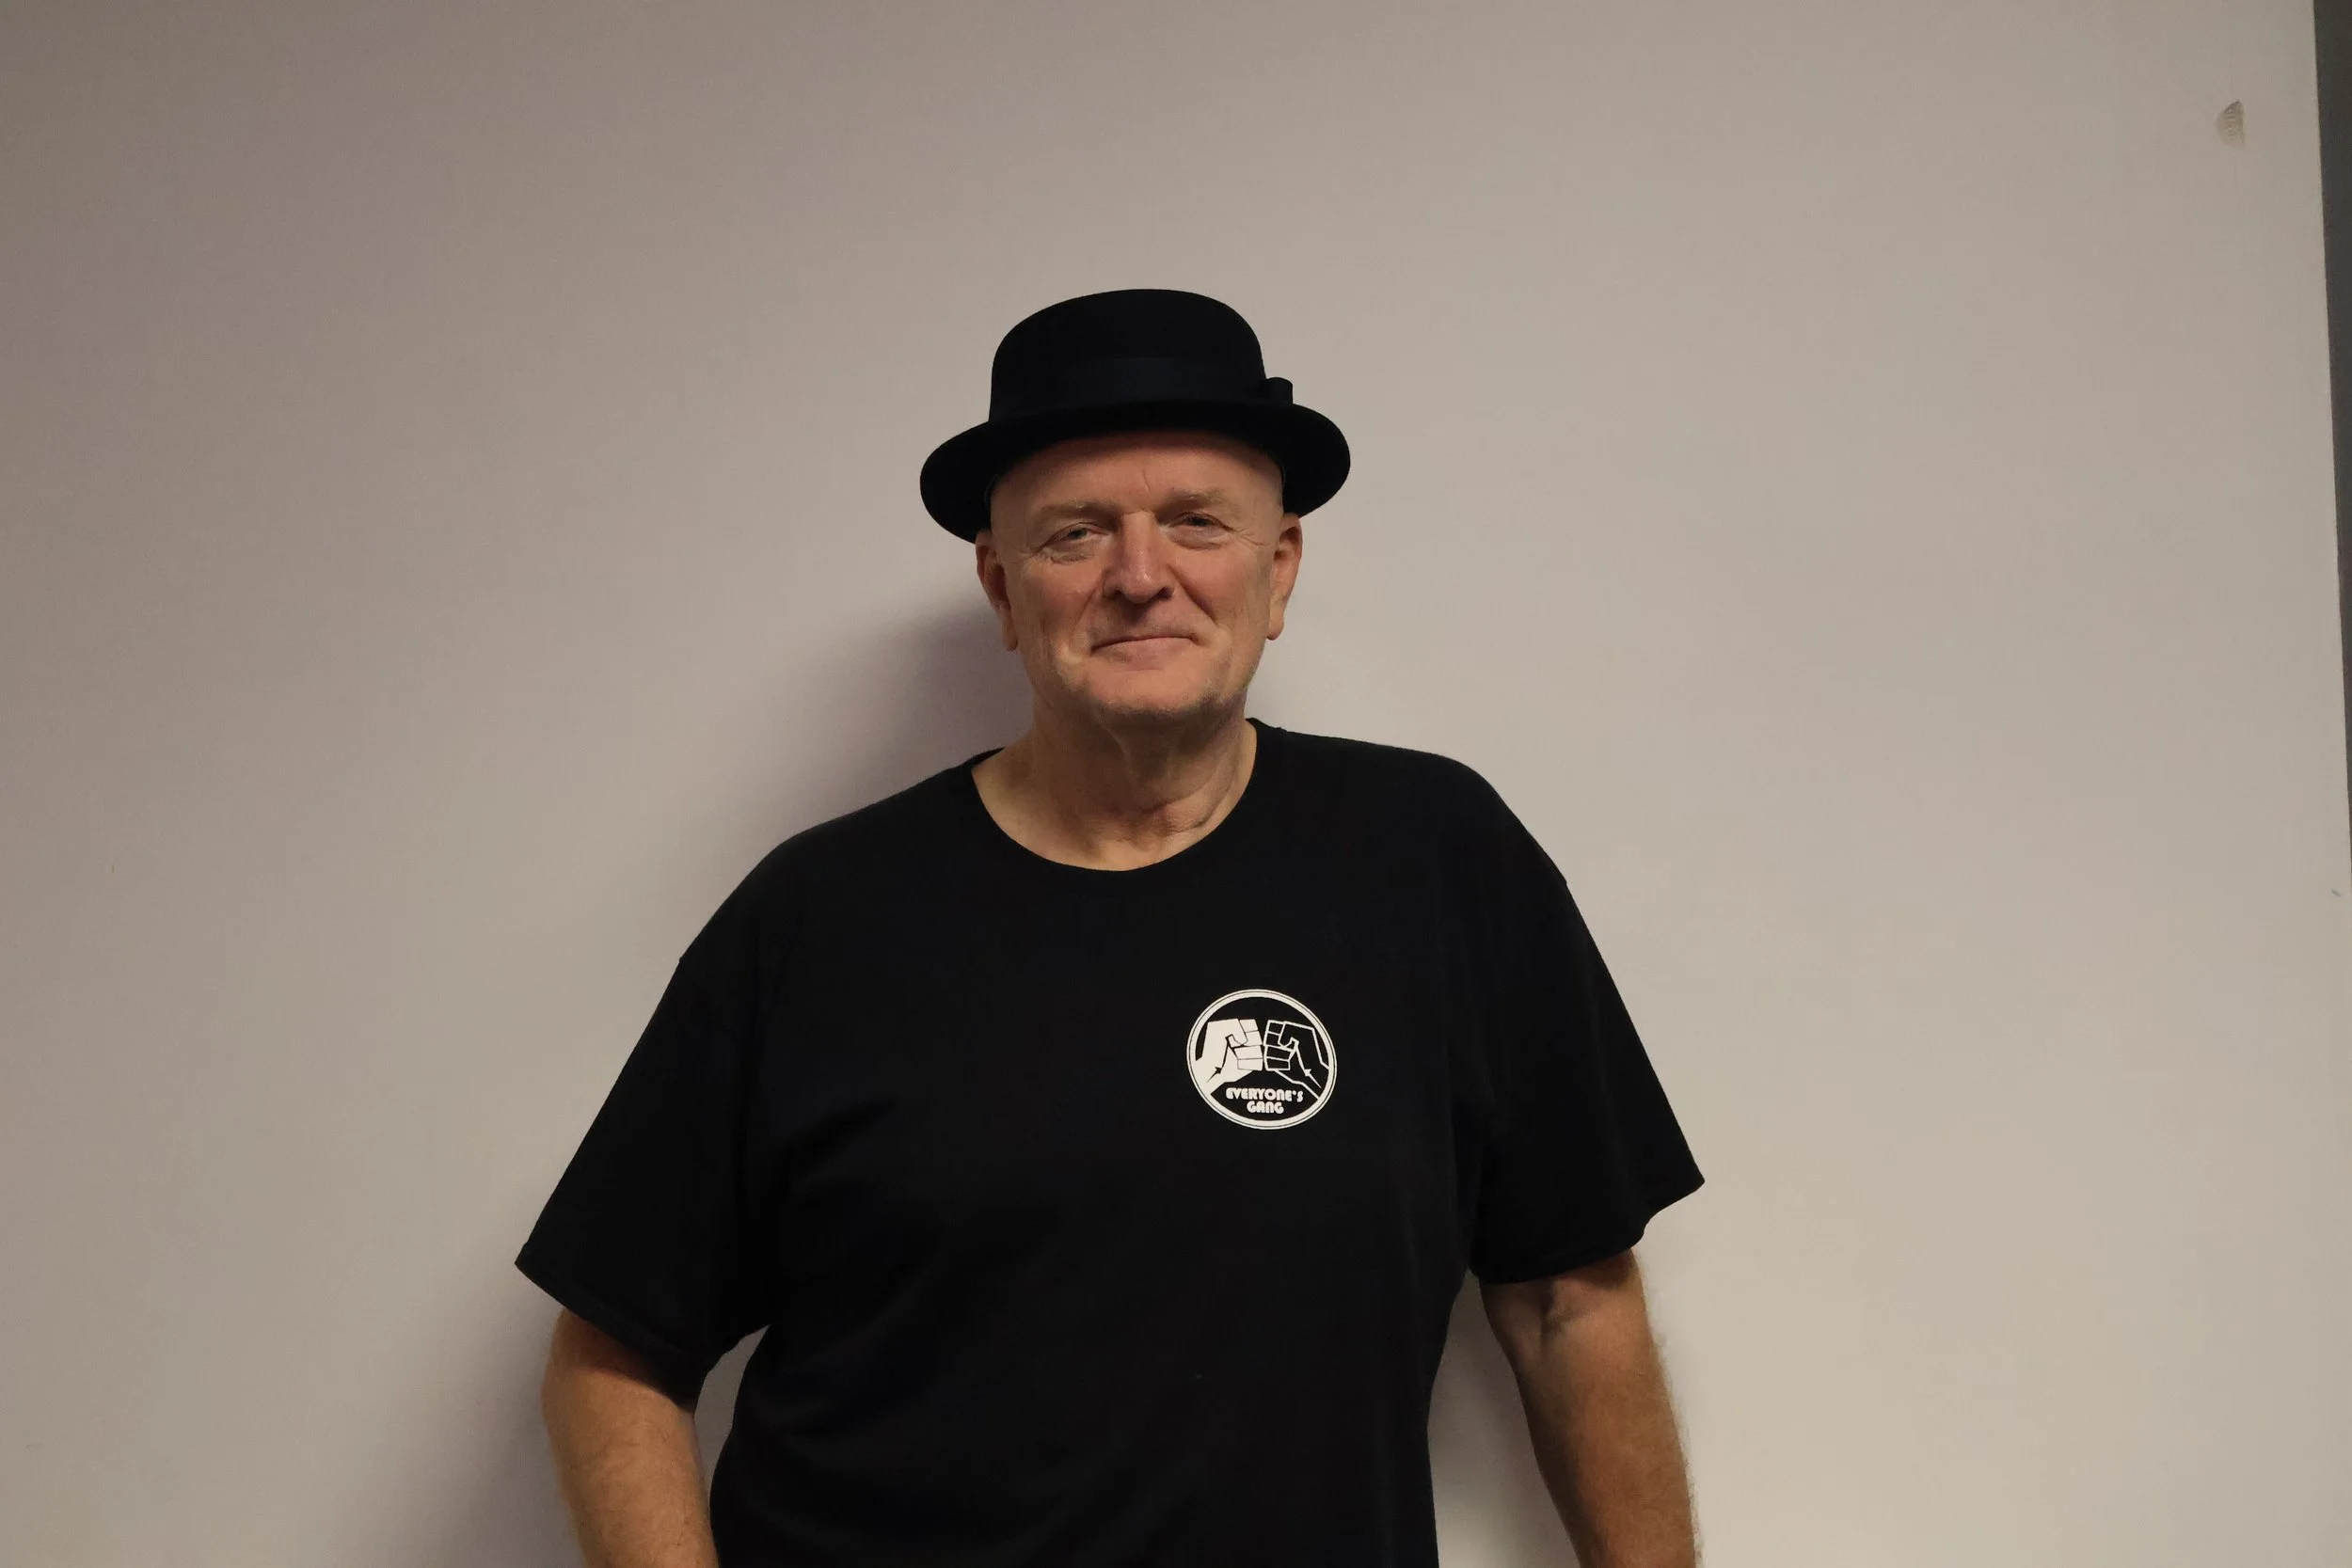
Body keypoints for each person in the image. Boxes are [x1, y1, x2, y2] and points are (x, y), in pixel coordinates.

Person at [517, 288, 1707, 1568]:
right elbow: (611, 1354)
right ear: (1002, 585)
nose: (1141, 576)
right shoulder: (820, 917)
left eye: (1195, 521)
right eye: (1077, 532)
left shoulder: (1440, 860)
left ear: (1280, 568)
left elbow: (1569, 1301)